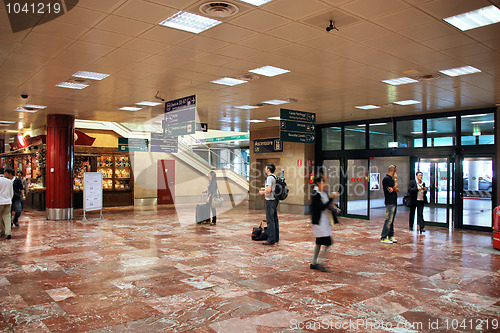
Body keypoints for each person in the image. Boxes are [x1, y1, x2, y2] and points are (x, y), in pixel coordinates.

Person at [310, 175, 336, 272]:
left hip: (324, 221)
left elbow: (326, 205)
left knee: (321, 242)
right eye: (324, 182)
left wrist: (333, 206)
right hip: (319, 222)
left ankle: (315, 262)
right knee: (326, 242)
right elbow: (322, 206)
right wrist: (331, 199)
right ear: (319, 183)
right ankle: (317, 262)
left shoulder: (323, 193)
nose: (326, 184)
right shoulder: (315, 194)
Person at [259, 163, 279, 245]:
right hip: (274, 199)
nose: (265, 169)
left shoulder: (269, 178)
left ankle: (270, 239)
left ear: (268, 169)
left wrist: (262, 192)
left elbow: (269, 189)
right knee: (275, 219)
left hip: (270, 200)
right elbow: (272, 188)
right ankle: (275, 237)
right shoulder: (275, 177)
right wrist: (265, 188)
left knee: (270, 220)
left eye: (266, 168)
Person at [381, 165, 399, 244]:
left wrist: (394, 188)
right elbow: (394, 188)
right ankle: (384, 237)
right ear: (393, 171)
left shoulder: (390, 179)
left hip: (394, 201)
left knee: (392, 220)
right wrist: (395, 180)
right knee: (389, 219)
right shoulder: (386, 179)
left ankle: (390, 235)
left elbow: (396, 189)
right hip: (389, 202)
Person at [0, 167, 14, 240]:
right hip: (8, 201)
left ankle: (1, 231)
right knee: (7, 217)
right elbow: (12, 192)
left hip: (0, 201)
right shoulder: (9, 181)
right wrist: (9, 199)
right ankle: (8, 232)